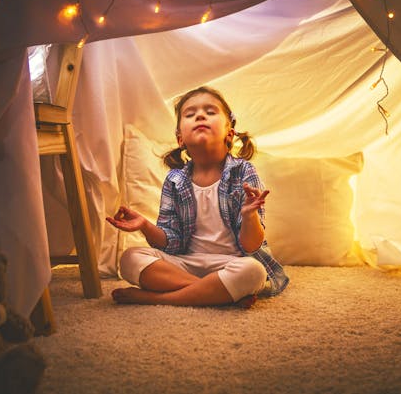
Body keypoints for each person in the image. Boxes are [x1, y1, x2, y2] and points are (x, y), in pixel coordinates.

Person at [106, 86, 288, 307]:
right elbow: (170, 244)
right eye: (190, 114)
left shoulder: (243, 171)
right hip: (185, 263)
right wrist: (144, 225)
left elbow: (251, 246)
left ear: (229, 134)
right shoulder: (175, 179)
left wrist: (250, 216)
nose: (200, 115)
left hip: (231, 263)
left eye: (210, 112)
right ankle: (215, 294)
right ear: (180, 138)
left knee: (254, 271)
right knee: (130, 258)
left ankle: (157, 298)